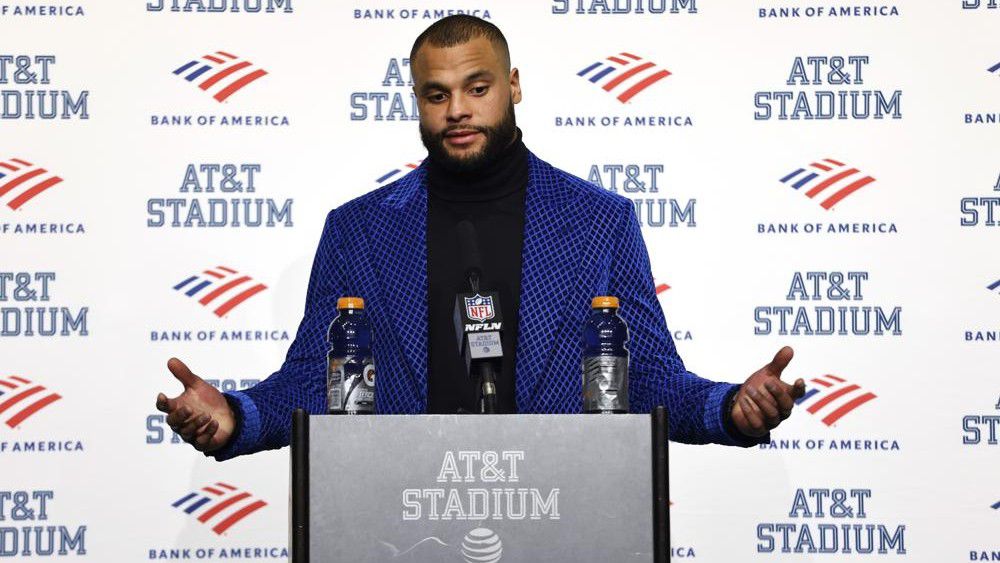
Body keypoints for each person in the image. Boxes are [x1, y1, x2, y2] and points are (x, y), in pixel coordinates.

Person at [155, 15, 806, 461]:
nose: (457, 110)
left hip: (560, 517)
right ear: (416, 101)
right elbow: (313, 385)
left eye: (477, 87)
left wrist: (730, 408)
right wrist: (237, 418)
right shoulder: (358, 230)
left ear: (513, 85)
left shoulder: (599, 219)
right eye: (436, 95)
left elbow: (649, 379)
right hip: (402, 521)